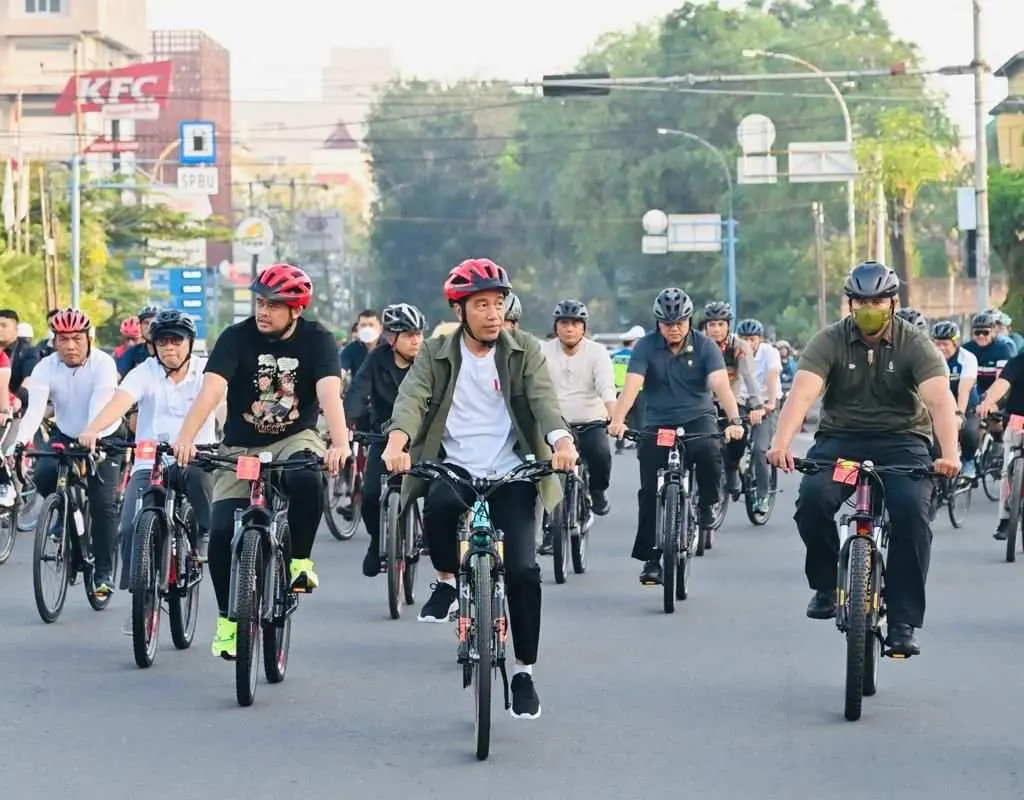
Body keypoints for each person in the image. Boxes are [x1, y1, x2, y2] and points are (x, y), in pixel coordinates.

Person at [381, 257, 578, 720]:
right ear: (460, 310)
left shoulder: (523, 349)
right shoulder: (436, 351)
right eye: (482, 305)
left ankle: (525, 670)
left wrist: (562, 440)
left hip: (511, 471)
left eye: (498, 303)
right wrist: (398, 440)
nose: (493, 313)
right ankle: (448, 582)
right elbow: (414, 398)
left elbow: (543, 401)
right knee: (439, 509)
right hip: (457, 467)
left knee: (526, 572)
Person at [767, 261, 959, 657]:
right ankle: (824, 584)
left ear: (893, 302)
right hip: (843, 443)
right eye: (861, 301)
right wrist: (781, 442)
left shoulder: (915, 343)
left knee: (911, 512)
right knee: (814, 500)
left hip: (902, 442)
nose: (869, 307)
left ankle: (903, 621)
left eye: (878, 300)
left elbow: (940, 401)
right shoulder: (830, 340)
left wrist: (951, 454)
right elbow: (802, 394)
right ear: (850, 303)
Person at [172, 264, 351, 660]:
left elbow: (329, 393)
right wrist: (186, 439)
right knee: (220, 533)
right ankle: (227, 623)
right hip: (240, 446)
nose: (263, 311)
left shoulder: (317, 339)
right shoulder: (235, 338)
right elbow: (211, 391)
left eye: (273, 305)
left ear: (296, 309)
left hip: (294, 437)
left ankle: (300, 561)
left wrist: (339, 443)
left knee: (307, 479)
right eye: (259, 302)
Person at [79, 310, 217, 634]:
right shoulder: (144, 372)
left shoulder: (206, 372)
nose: (169, 348)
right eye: (162, 341)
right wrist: (94, 429)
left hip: (197, 456)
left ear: (189, 344)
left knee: (202, 489)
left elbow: (221, 403)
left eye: (176, 341)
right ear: (153, 345)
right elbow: (119, 403)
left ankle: (201, 540)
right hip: (150, 460)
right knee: (129, 525)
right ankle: (141, 599)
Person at [608, 288, 745, 586]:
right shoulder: (645, 347)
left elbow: (721, 386)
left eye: (680, 322)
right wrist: (618, 419)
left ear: (689, 320)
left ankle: (708, 503)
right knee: (648, 490)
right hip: (658, 422)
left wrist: (734, 421)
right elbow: (632, 386)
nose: (674, 328)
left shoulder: (705, 346)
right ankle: (651, 559)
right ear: (658, 322)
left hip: (698, 418)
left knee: (710, 450)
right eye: (668, 323)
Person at [11, 308, 123, 594]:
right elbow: (35, 411)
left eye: (76, 338)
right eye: (63, 339)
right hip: (67, 433)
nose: (70, 346)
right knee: (45, 474)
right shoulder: (45, 367)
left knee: (103, 504)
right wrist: (19, 443)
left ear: (89, 338)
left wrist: (93, 432)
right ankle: (65, 512)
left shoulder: (103, 364)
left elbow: (100, 404)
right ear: (55, 341)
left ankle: (103, 573)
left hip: (104, 435)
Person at [344, 302, 427, 578]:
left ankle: (428, 532)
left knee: (440, 492)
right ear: (392, 339)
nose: (416, 340)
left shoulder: (428, 361)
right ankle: (377, 540)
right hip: (384, 434)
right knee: (369, 496)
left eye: (418, 333)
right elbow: (357, 392)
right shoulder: (376, 359)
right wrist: (347, 425)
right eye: (408, 334)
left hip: (423, 438)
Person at [536, 300, 615, 554]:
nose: (569, 329)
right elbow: (536, 388)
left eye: (575, 324)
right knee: (547, 472)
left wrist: (615, 416)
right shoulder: (543, 351)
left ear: (584, 327)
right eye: (564, 323)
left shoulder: (597, 353)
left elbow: (606, 387)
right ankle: (551, 531)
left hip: (590, 420)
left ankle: (598, 491)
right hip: (555, 424)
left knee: (601, 453)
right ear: (556, 326)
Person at [699, 301, 765, 497]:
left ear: (728, 325)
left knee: (739, 435)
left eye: (721, 324)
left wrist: (757, 405)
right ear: (705, 327)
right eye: (712, 325)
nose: (716, 329)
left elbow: (749, 378)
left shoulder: (740, 347)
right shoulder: (697, 345)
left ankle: (732, 468)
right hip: (704, 401)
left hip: (733, 401)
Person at [977, 346, 1024, 540]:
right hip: (1018, 418)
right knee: (1008, 469)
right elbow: (1003, 382)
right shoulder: (1020, 360)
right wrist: (988, 401)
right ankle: (1005, 519)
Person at [735, 318, 781, 513]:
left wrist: (768, 405)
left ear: (760, 339)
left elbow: (772, 377)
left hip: (765, 404)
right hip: (742, 403)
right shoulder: (734, 350)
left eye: (752, 339)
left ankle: (762, 495)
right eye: (744, 338)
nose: (748, 343)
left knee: (759, 450)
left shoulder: (770, 353)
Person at [931, 321, 980, 480]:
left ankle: (968, 461)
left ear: (955, 342)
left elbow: (963, 390)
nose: (941, 348)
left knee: (969, 431)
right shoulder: (931, 357)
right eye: (937, 343)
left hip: (965, 402)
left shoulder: (967, 358)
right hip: (940, 401)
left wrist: (959, 414)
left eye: (945, 344)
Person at [965, 310, 1016, 396]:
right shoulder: (966, 348)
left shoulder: (1003, 348)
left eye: (985, 332)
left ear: (993, 332)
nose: (981, 336)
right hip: (973, 394)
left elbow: (1001, 382)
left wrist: (987, 400)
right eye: (977, 333)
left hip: (997, 393)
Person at [612, 326, 645, 451]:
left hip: (619, 391)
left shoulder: (615, 356)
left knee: (622, 418)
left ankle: (620, 443)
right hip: (639, 391)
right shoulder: (639, 357)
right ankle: (639, 443)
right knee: (640, 418)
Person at [116, 305, 161, 377]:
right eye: (146, 323)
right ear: (140, 326)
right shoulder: (134, 351)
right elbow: (117, 375)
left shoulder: (171, 350)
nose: (149, 326)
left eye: (154, 323)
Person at [339, 309, 381, 379]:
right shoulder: (352, 349)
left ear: (380, 328)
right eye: (363, 325)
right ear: (358, 328)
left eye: (371, 325)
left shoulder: (388, 349)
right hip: (359, 389)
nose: (367, 329)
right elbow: (341, 371)